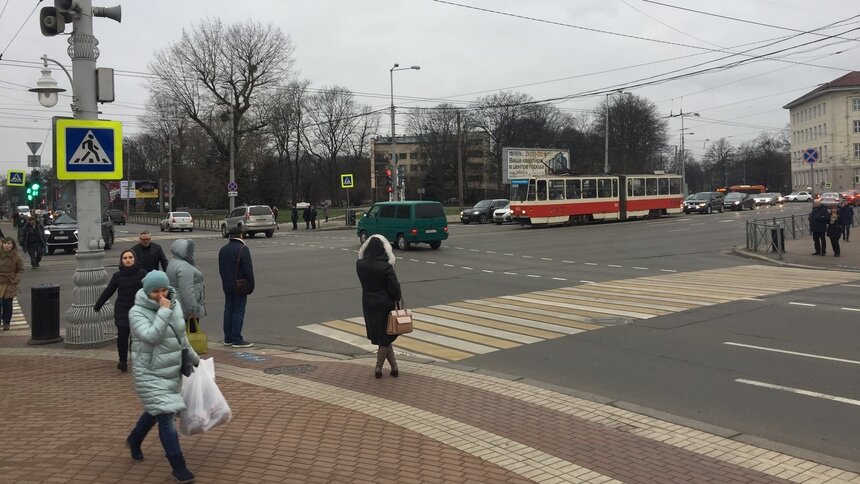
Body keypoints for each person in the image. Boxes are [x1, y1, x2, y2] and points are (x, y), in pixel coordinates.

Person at [125, 271, 199, 483]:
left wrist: (195, 360)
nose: (160, 294)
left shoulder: (174, 305)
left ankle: (135, 438)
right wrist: (164, 311)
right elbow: (151, 336)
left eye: (163, 289)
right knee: (166, 415)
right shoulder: (136, 312)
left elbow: (181, 338)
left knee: (157, 409)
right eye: (155, 291)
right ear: (146, 292)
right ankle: (179, 466)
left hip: (172, 370)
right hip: (149, 372)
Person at [356, 234, 402, 379]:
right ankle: (378, 367)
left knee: (384, 335)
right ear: (383, 249)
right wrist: (397, 298)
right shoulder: (386, 266)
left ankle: (394, 367)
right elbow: (394, 287)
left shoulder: (360, 264)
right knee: (386, 336)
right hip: (385, 303)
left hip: (368, 302)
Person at [94, 249, 146, 372]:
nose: (128, 260)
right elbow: (108, 291)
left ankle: (135, 358)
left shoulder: (142, 273)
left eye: (130, 257)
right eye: (125, 258)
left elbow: (150, 289)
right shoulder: (117, 276)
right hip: (122, 309)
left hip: (139, 310)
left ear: (134, 259)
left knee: (136, 337)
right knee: (122, 336)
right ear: (122, 261)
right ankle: (122, 361)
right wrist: (98, 305)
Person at [218, 227, 255, 348]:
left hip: (227, 285)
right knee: (238, 311)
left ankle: (227, 338)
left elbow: (221, 269)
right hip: (240, 285)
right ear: (240, 235)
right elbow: (248, 270)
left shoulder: (222, 250)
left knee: (228, 310)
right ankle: (237, 339)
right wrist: (251, 285)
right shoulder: (243, 249)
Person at [166, 239, 206, 321]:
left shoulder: (173, 262)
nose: (192, 254)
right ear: (184, 252)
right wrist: (192, 310)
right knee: (190, 332)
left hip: (176, 303)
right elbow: (187, 291)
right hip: (185, 308)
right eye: (190, 251)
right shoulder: (185, 267)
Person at [0, 238, 23, 331]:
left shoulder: (16, 256)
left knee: (7, 304)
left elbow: (20, 270)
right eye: (5, 243)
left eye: (9, 243)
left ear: (12, 245)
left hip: (10, 282)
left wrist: (16, 280)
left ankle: (6, 322)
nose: (7, 245)